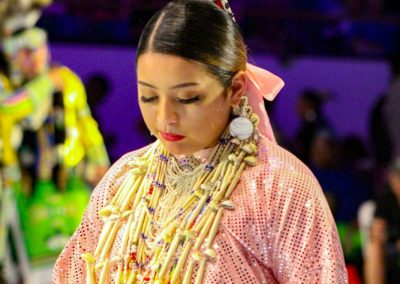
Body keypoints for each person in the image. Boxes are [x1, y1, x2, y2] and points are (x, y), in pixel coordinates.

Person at [53, 1, 347, 283]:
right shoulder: (124, 180)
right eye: (149, 97)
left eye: (187, 98)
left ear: (235, 88)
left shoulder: (279, 186)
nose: (165, 117)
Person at [0, 26, 109, 278]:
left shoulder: (67, 80)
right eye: (25, 51)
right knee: (34, 267)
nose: (35, 55)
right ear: (10, 55)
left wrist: (100, 161)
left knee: (83, 259)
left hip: (71, 180)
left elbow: (86, 123)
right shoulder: (9, 85)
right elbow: (9, 109)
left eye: (39, 48)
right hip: (23, 186)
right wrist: (46, 83)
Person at [364, 158, 400, 284]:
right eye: (397, 177)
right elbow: (377, 230)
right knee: (374, 248)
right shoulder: (386, 198)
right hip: (391, 247)